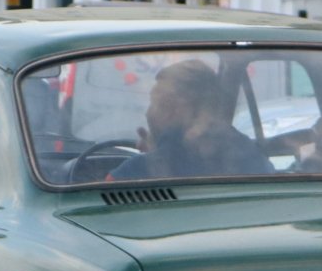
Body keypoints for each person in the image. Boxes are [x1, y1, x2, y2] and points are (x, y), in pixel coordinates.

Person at [107, 60, 273, 181]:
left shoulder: (136, 172)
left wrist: (153, 157)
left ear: (174, 109)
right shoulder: (250, 155)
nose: (148, 113)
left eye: (154, 104)